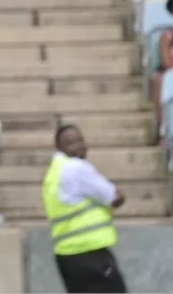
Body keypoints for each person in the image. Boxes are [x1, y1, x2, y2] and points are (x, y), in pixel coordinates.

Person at [44, 125, 128, 293]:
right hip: (90, 254)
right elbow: (115, 197)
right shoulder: (77, 168)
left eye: (81, 140)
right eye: (72, 142)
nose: (80, 146)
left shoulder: (53, 173)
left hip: (67, 257)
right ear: (60, 147)